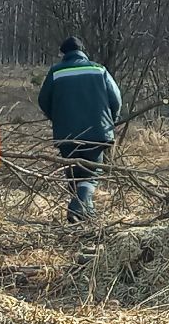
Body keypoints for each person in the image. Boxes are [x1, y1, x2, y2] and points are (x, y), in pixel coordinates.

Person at [38, 37, 122, 221]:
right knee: (91, 174)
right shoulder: (99, 70)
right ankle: (78, 210)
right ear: (82, 51)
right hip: (97, 132)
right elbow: (116, 99)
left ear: (63, 53)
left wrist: (57, 118)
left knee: (75, 173)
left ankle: (83, 213)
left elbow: (43, 101)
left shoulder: (56, 72)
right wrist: (111, 121)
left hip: (67, 134)